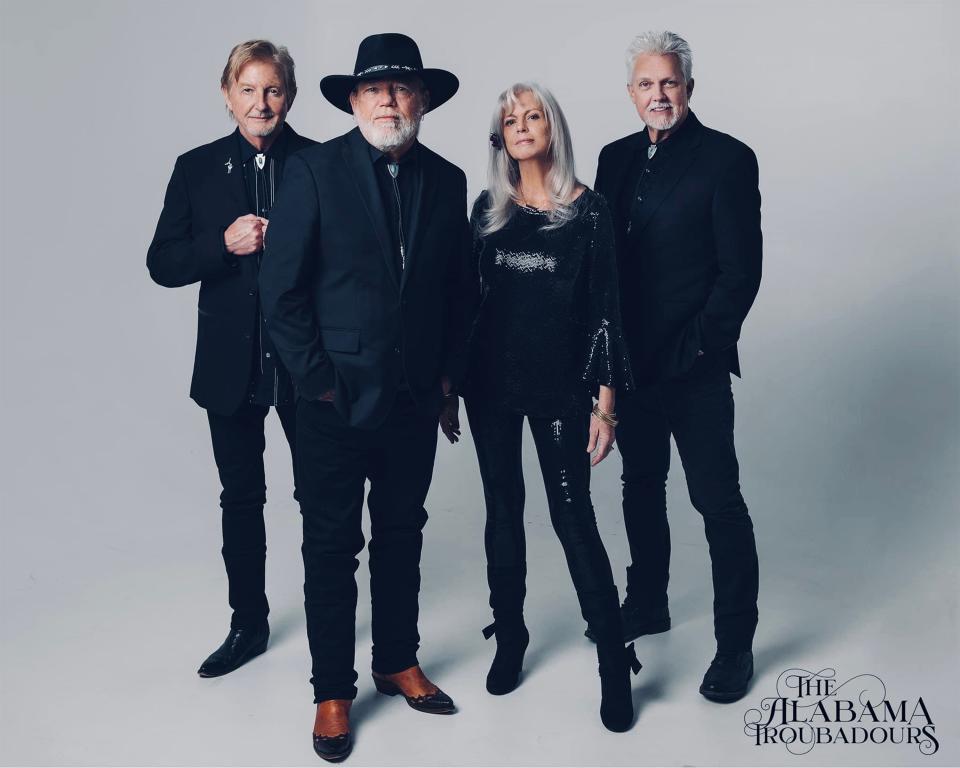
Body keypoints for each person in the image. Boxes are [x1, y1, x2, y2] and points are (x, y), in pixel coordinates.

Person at [258, 33, 470, 762]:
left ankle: (396, 661)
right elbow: (279, 293)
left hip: (414, 399)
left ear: (422, 101)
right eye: (374, 89)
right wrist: (316, 381)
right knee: (330, 546)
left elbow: (457, 293)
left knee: (403, 534)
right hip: (329, 401)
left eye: (402, 87)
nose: (388, 99)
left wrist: (448, 379)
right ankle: (332, 691)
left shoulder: (446, 180)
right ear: (353, 101)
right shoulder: (314, 172)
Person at [589, 30, 762, 703]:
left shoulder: (725, 160)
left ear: (689, 87)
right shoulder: (614, 159)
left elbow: (738, 273)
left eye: (669, 82)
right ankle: (648, 602)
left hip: (692, 366)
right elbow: (601, 265)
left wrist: (696, 346)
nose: (657, 94)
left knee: (717, 501)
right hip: (629, 367)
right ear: (631, 92)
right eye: (645, 84)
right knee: (640, 487)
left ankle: (735, 648)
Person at [462, 82, 640, 733]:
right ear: (500, 137)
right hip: (489, 386)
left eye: (534, 115)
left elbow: (606, 312)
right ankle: (510, 636)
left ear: (553, 127)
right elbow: (466, 304)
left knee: (573, 518)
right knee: (502, 510)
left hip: (562, 388)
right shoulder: (488, 209)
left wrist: (607, 403)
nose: (524, 125)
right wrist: (450, 384)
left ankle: (614, 664)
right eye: (512, 119)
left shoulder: (589, 211)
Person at [147, 40, 317, 678]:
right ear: (227, 96)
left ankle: (333, 614)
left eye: (272, 90)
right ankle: (248, 624)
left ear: (289, 96)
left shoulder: (321, 163)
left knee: (321, 497)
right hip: (230, 367)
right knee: (241, 499)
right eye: (248, 90)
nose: (261, 103)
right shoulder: (194, 169)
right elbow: (161, 262)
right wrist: (222, 245)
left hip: (308, 366)